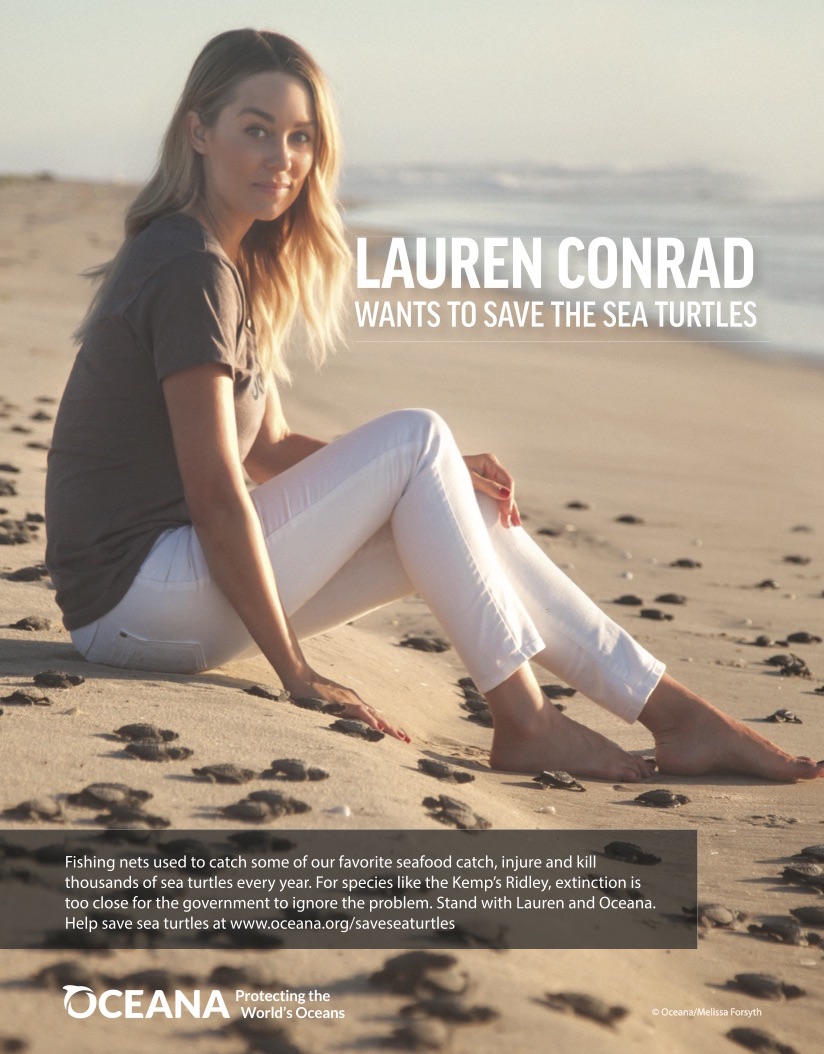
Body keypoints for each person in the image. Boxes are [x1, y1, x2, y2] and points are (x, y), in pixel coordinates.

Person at [45, 29, 821, 785]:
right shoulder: (190, 268)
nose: (282, 159)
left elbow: (268, 447)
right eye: (257, 130)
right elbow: (218, 491)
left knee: (464, 505)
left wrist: (438, 476)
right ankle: (524, 718)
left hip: (158, 605)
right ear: (199, 132)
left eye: (301, 138)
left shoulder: (228, 261)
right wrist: (298, 673)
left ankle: (672, 715)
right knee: (420, 436)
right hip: (139, 600)